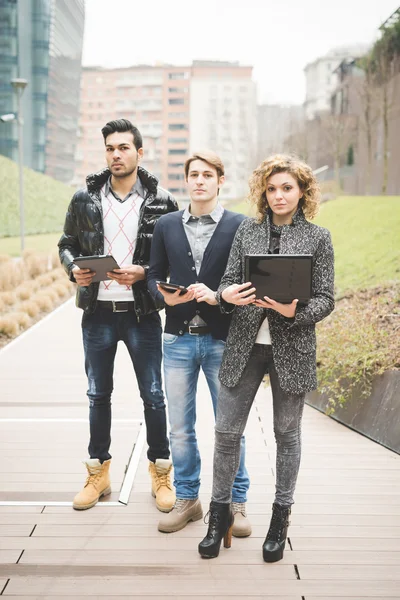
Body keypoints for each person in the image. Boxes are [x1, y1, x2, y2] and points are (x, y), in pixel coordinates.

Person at [198, 154, 335, 561]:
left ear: (302, 191)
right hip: (244, 345)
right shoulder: (246, 231)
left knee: (286, 435)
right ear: (263, 192)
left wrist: (297, 313)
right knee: (226, 433)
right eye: (272, 188)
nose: (279, 195)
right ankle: (218, 515)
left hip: (292, 348)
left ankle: (280, 519)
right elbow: (225, 283)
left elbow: (326, 298)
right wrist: (227, 295)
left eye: (287, 188)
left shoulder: (318, 237)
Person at [58, 119, 178, 511]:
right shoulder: (84, 199)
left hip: (141, 313)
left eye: (124, 147)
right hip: (97, 313)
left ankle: (160, 473)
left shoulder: (162, 201)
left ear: (139, 153)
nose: (116, 155)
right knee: (98, 395)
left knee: (154, 395)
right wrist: (73, 266)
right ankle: (99, 474)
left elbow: (175, 261)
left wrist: (144, 273)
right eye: (110, 148)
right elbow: (67, 244)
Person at [147, 151, 251, 536]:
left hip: (223, 341)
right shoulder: (167, 224)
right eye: (194, 175)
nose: (200, 181)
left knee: (230, 428)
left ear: (220, 180)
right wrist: (163, 297)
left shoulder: (241, 225)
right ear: (186, 180)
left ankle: (236, 504)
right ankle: (188, 499)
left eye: (208, 175)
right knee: (180, 429)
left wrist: (219, 293)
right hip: (176, 340)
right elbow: (153, 274)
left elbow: (247, 280)